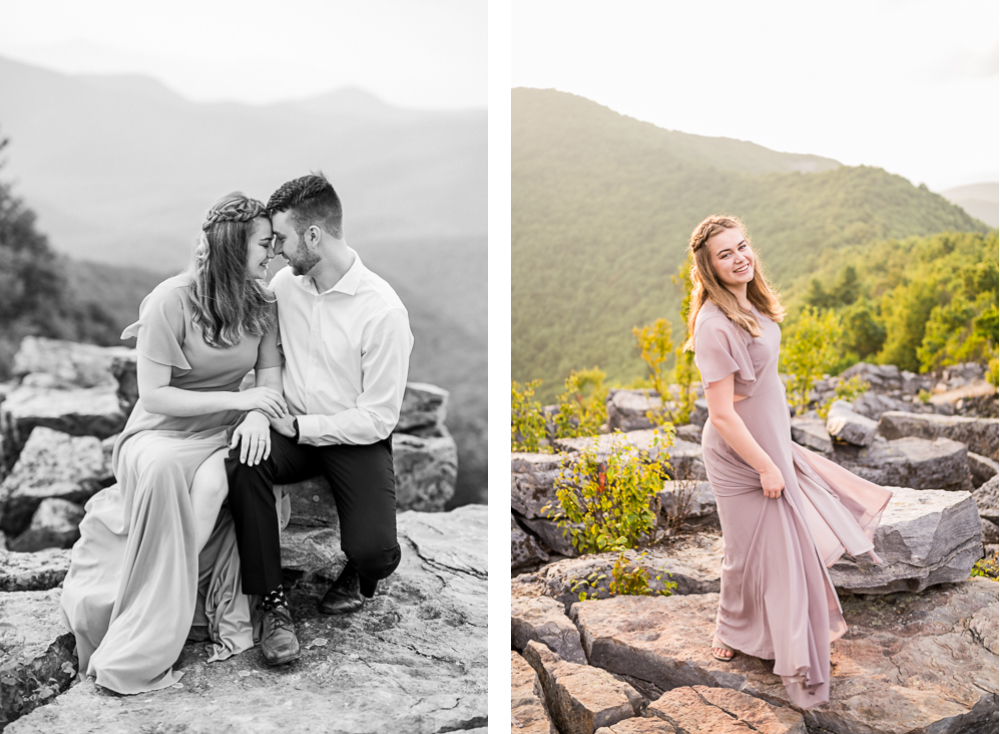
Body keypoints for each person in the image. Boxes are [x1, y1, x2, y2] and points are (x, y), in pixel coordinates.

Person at [60, 193, 289, 694]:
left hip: (227, 425)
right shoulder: (171, 299)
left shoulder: (264, 301)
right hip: (161, 429)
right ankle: (151, 610)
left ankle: (169, 599)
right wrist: (238, 398)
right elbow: (155, 396)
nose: (271, 254)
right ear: (233, 247)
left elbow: (269, 379)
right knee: (163, 468)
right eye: (264, 245)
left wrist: (253, 412)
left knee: (214, 485)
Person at [685, 214, 893, 709]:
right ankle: (733, 629)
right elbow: (722, 414)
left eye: (743, 247)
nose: (740, 258)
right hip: (740, 452)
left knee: (786, 540)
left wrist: (781, 439)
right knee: (751, 547)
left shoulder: (749, 301)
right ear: (708, 268)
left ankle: (772, 632)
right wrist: (764, 465)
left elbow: (762, 384)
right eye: (726, 254)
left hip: (770, 437)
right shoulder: (714, 323)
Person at [226, 173, 413, 666]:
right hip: (291, 428)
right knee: (244, 461)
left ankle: (361, 569)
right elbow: (263, 353)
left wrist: (303, 428)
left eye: (282, 239)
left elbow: (378, 418)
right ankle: (270, 605)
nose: (276, 251)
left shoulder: (383, 312)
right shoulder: (286, 286)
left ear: (313, 236)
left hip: (353, 436)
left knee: (374, 551)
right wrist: (257, 411)